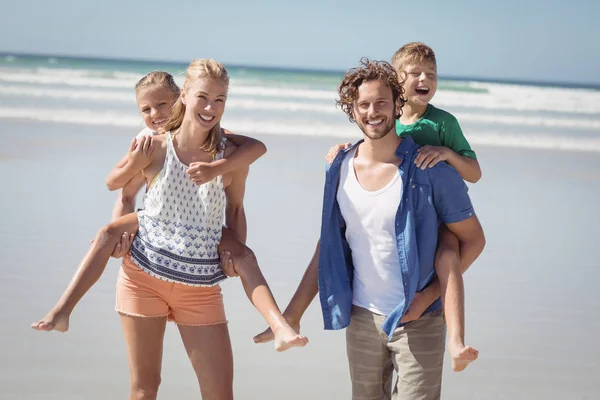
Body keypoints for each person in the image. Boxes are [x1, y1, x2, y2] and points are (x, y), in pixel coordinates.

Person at [255, 58, 486, 399]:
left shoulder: (432, 168)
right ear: (352, 110)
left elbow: (474, 241)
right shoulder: (339, 166)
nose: (373, 111)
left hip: (418, 320)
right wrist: (292, 314)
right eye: (363, 104)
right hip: (361, 317)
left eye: (381, 102)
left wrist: (427, 297)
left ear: (397, 104)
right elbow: (329, 246)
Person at [31, 70, 268, 335]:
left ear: (181, 99)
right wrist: (134, 164)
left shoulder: (205, 130)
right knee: (114, 222)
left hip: (192, 226)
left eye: (162, 105)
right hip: (154, 213)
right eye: (146, 109)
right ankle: (64, 310)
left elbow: (255, 150)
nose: (155, 114)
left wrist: (218, 168)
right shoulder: (147, 141)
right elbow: (116, 186)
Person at [324, 42, 483, 372]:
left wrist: (447, 154)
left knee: (448, 258)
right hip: (409, 213)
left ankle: (456, 341)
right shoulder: (390, 119)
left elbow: (474, 172)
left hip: (439, 214)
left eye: (431, 74)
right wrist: (345, 148)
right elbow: (374, 139)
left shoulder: (442, 123)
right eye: (414, 74)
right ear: (398, 84)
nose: (424, 79)